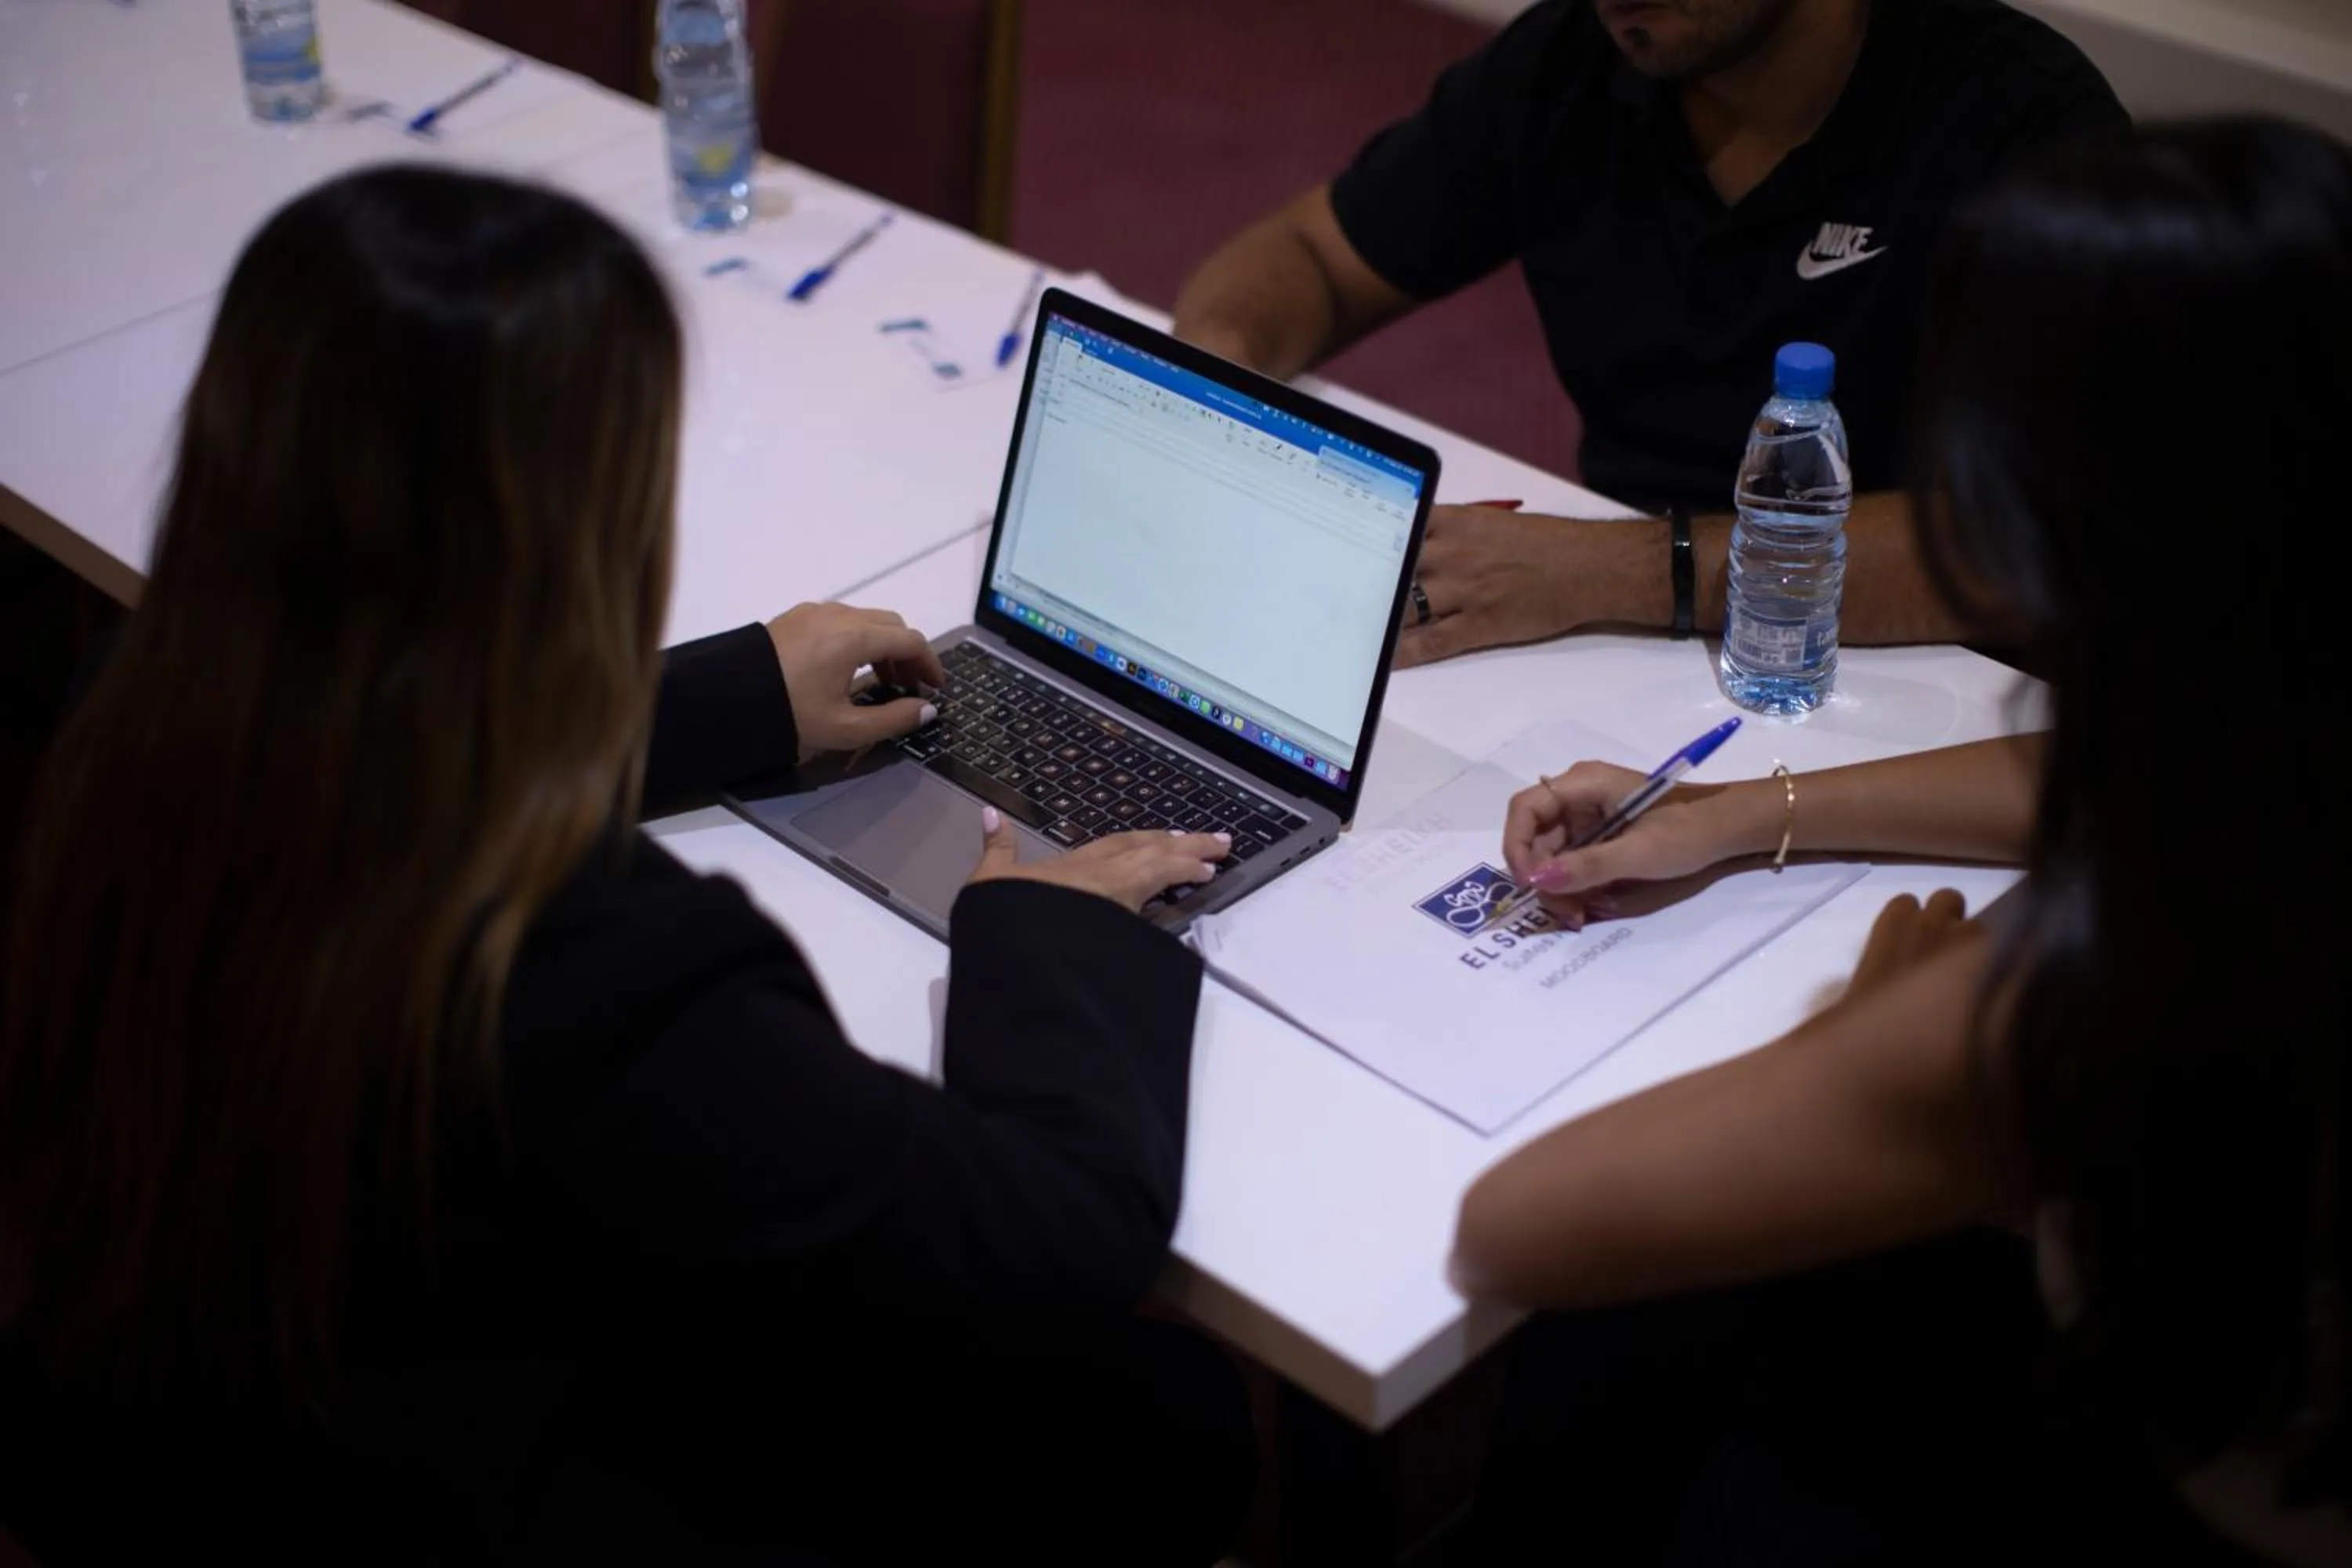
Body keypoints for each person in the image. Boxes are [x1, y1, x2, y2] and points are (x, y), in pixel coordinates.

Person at [0, 165, 1252, 1567]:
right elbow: (1059, 1247)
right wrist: (1038, 932)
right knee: (1175, 1418)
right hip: (516, 1490)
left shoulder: (129, 715)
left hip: (199, 1453)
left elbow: (382, 739)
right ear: (579, 533)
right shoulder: (606, 973)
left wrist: (730, 697)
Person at [1452, 118, 2352, 1564]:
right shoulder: (2284, 712)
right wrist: (1744, 815)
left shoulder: (2121, 998)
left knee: (1667, 1373)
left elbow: (1516, 1229)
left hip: (2197, 1496)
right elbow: (2099, 771)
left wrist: (1871, 1053)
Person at [1172, 0, 2125, 667]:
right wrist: (1213, 395)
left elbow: (2034, 543)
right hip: (1615, 644)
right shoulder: (1569, 66)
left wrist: (1614, 571)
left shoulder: (2019, 121)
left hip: (1911, 680)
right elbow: (1310, 255)